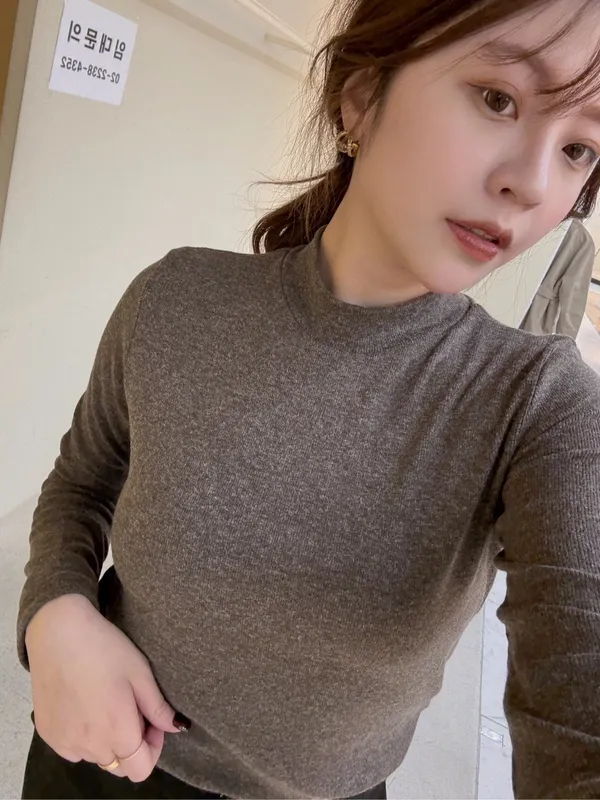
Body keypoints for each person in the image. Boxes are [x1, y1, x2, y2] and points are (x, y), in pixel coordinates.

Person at [17, 0, 600, 797]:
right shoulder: (176, 298)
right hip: (94, 760)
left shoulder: (538, 407)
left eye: (578, 148)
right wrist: (54, 611)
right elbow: (81, 483)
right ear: (361, 96)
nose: (531, 184)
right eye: (498, 98)